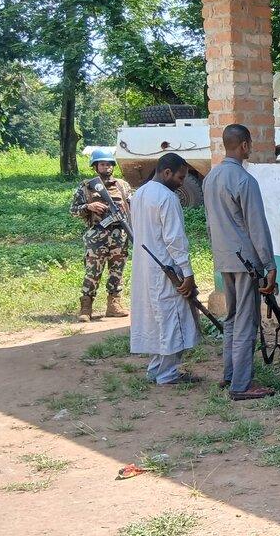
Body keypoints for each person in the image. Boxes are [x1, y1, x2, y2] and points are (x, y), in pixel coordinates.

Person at [204, 124, 277, 401]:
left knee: (232, 318)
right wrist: (269, 264)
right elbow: (257, 227)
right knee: (246, 320)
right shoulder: (244, 180)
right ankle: (242, 385)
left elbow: (211, 226)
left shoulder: (210, 178)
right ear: (244, 145)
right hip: (246, 260)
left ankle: (230, 374)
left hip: (224, 258)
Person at [130, 152, 203, 385]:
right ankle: (167, 374)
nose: (182, 183)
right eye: (180, 178)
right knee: (172, 319)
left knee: (158, 320)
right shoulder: (167, 197)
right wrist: (188, 273)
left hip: (146, 268)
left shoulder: (139, 193)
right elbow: (175, 239)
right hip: (166, 268)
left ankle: (155, 370)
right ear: (167, 172)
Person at [70, 149, 134, 322]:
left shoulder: (122, 185)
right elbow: (73, 210)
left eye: (109, 164)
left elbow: (133, 205)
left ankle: (114, 304)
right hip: (97, 235)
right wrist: (88, 207)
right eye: (102, 164)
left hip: (119, 235)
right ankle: (86, 306)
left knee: (117, 271)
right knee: (93, 272)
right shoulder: (86, 187)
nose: (106, 167)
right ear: (95, 166)